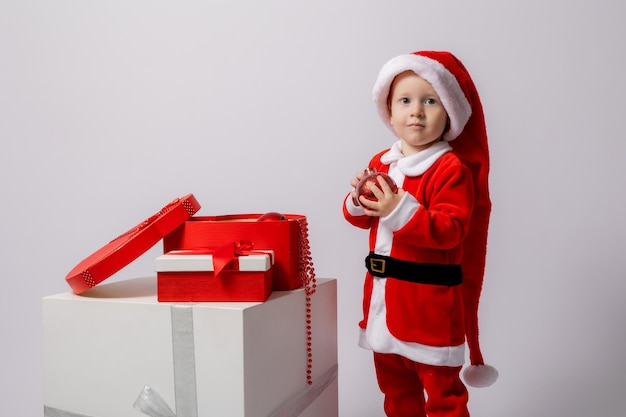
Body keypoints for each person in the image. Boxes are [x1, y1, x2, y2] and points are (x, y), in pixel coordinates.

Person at [343, 51, 498, 417]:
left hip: (428, 312)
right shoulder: (382, 162)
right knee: (396, 394)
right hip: (383, 306)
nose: (417, 111)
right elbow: (363, 219)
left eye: (430, 101)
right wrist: (357, 200)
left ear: (449, 114)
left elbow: (451, 230)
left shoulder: (450, 169)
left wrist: (399, 210)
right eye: (405, 101)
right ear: (390, 112)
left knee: (443, 399)